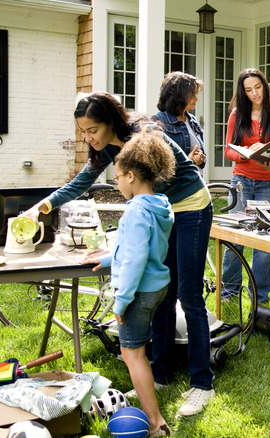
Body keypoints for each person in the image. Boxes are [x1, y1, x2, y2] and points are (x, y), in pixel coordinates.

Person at [26, 92, 215, 417]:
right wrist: (41, 207)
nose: (88, 138)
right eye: (83, 131)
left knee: (190, 295)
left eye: (93, 130)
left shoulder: (144, 136)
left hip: (192, 208)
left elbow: (161, 179)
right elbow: (80, 183)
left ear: (110, 122)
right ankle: (160, 374)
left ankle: (202, 384)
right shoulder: (105, 150)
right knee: (163, 294)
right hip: (163, 211)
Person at [81, 126, 175, 438]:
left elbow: (135, 260)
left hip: (139, 291)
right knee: (139, 350)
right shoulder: (159, 204)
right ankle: (153, 413)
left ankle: (155, 422)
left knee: (133, 355)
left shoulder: (136, 210)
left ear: (132, 175)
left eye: (118, 177)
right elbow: (139, 249)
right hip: (157, 285)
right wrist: (108, 259)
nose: (117, 182)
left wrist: (121, 301)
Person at [222, 68, 270, 302]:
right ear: (243, 92)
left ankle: (260, 296)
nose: (255, 94)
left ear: (265, 86)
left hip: (269, 183)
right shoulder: (236, 115)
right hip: (241, 180)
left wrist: (266, 151)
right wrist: (246, 154)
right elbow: (228, 150)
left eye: (258, 87)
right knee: (236, 236)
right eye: (249, 90)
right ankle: (229, 290)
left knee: (263, 239)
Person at [154, 71, 206, 170]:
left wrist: (200, 159)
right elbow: (156, 163)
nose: (196, 99)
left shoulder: (193, 121)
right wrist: (188, 160)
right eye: (193, 95)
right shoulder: (158, 121)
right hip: (174, 184)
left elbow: (203, 157)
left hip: (194, 182)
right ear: (179, 96)